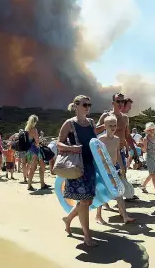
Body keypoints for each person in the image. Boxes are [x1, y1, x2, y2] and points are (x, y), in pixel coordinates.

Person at [59, 95, 99, 247]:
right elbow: (59, 143)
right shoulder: (69, 124)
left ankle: (68, 219)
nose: (88, 107)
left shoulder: (91, 122)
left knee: (87, 201)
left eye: (89, 104)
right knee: (83, 201)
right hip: (77, 166)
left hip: (90, 166)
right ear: (76, 106)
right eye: (85, 104)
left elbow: (94, 142)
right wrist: (71, 148)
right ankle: (87, 236)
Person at [95, 115, 135, 224]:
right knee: (102, 193)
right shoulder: (100, 140)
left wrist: (122, 166)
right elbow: (96, 156)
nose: (113, 127)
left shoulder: (117, 139)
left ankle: (125, 216)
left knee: (118, 193)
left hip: (113, 169)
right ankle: (98, 216)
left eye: (114, 125)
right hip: (103, 170)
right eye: (110, 125)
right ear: (105, 126)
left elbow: (117, 153)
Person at [25, 115, 48, 191]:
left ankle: (40, 184)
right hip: (35, 151)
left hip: (29, 151)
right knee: (39, 167)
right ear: (35, 122)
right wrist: (40, 138)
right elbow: (37, 142)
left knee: (37, 167)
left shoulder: (27, 129)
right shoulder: (34, 129)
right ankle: (34, 185)